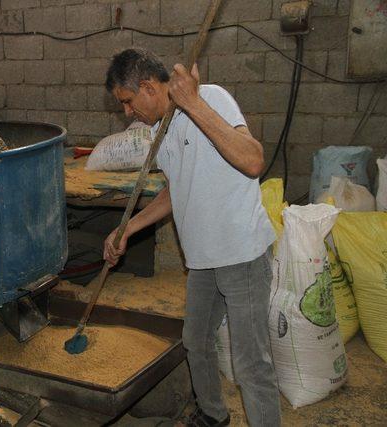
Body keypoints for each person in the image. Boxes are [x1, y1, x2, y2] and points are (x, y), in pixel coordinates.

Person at [103, 48, 281, 427]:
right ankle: (214, 415)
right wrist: (128, 227)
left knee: (250, 364)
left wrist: (193, 104)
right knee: (195, 343)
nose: (126, 113)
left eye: (127, 102)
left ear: (149, 87)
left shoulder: (210, 98)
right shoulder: (159, 131)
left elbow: (252, 160)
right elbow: (175, 189)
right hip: (201, 261)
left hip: (240, 254)